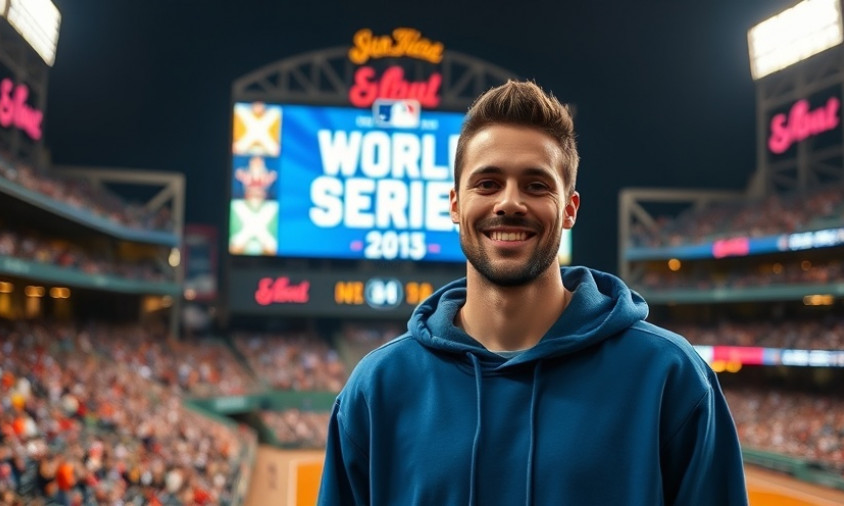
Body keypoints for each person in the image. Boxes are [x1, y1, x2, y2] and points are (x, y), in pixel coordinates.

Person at [318, 80, 748, 505]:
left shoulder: (669, 377)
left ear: (570, 209)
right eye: (487, 183)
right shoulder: (378, 388)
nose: (509, 203)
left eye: (536, 185)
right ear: (454, 204)